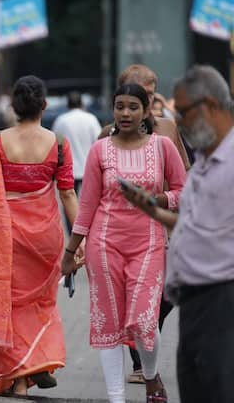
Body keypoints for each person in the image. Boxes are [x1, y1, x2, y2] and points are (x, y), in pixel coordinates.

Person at [62, 83, 187, 403]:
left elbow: (184, 192)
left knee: (145, 319)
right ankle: (116, 397)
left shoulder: (162, 147)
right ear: (113, 110)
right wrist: (70, 250)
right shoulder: (100, 150)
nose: (126, 113)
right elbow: (87, 203)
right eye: (120, 106)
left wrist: (158, 198)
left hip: (148, 244)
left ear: (146, 111)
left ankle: (150, 376)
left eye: (133, 106)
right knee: (108, 324)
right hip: (103, 246)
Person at [121, 65, 234, 403]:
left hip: (223, 298)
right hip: (193, 299)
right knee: (195, 385)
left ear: (212, 105)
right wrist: (153, 211)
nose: (179, 121)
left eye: (184, 112)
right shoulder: (203, 160)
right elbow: (194, 223)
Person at [0, 76, 78, 397]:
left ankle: (19, 376)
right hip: (46, 240)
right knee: (41, 303)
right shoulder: (58, 145)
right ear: (44, 105)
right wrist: (79, 242)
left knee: (7, 304)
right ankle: (36, 364)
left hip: (5, 239)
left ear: (13, 106)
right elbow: (68, 196)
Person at [100, 64, 192, 384]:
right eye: (139, 95)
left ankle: (144, 348)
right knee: (132, 298)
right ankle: (141, 364)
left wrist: (167, 203)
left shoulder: (166, 129)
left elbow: (184, 173)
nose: (145, 102)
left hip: (163, 227)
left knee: (162, 299)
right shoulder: (107, 136)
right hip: (118, 234)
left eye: (150, 95)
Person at [99, 64, 191, 170]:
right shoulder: (108, 134)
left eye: (150, 93)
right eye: (140, 92)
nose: (146, 100)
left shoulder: (168, 127)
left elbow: (184, 171)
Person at [52, 91, 101, 194]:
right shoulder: (91, 119)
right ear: (82, 103)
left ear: (67, 104)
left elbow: (55, 144)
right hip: (88, 169)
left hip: (68, 169)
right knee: (87, 203)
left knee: (69, 202)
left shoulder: (61, 120)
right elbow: (98, 142)